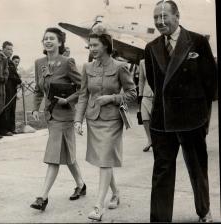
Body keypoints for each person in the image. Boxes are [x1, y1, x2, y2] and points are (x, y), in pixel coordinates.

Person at [144, 1, 217, 222]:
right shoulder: (151, 47)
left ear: (177, 16)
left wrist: (204, 118)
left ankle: (204, 210)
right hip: (162, 120)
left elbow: (210, 83)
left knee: (197, 168)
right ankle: (159, 219)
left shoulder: (197, 42)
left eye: (165, 16)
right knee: (162, 173)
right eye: (156, 17)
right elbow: (155, 83)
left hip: (192, 118)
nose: (160, 22)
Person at [74, 23, 136, 221]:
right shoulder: (87, 67)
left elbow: (132, 93)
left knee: (105, 160)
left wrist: (112, 98)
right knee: (104, 161)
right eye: (90, 46)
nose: (91, 49)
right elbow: (83, 95)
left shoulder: (120, 67)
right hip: (94, 119)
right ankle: (115, 193)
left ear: (106, 46)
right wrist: (78, 120)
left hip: (112, 120)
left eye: (95, 45)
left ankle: (98, 206)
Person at [30, 27, 86, 211]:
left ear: (60, 42)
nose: (48, 41)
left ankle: (42, 196)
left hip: (65, 116)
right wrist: (35, 108)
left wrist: (68, 100)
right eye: (45, 38)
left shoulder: (67, 62)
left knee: (54, 156)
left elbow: (83, 87)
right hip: (50, 115)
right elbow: (38, 89)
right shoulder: (39, 63)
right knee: (67, 152)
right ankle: (81, 184)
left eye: (52, 38)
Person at [0, 41, 21, 136]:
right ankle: (3, 129)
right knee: (5, 108)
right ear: (3, 49)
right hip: (5, 87)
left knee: (11, 108)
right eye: (8, 49)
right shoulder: (1, 59)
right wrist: (18, 80)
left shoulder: (9, 60)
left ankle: (11, 127)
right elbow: (10, 74)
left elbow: (14, 73)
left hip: (12, 87)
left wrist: (18, 80)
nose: (11, 51)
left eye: (11, 49)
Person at [137, 59, 154, 152]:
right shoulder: (143, 62)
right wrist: (140, 95)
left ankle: (158, 140)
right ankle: (149, 140)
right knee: (145, 118)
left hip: (158, 95)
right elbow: (141, 80)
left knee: (156, 120)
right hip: (145, 94)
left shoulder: (161, 59)